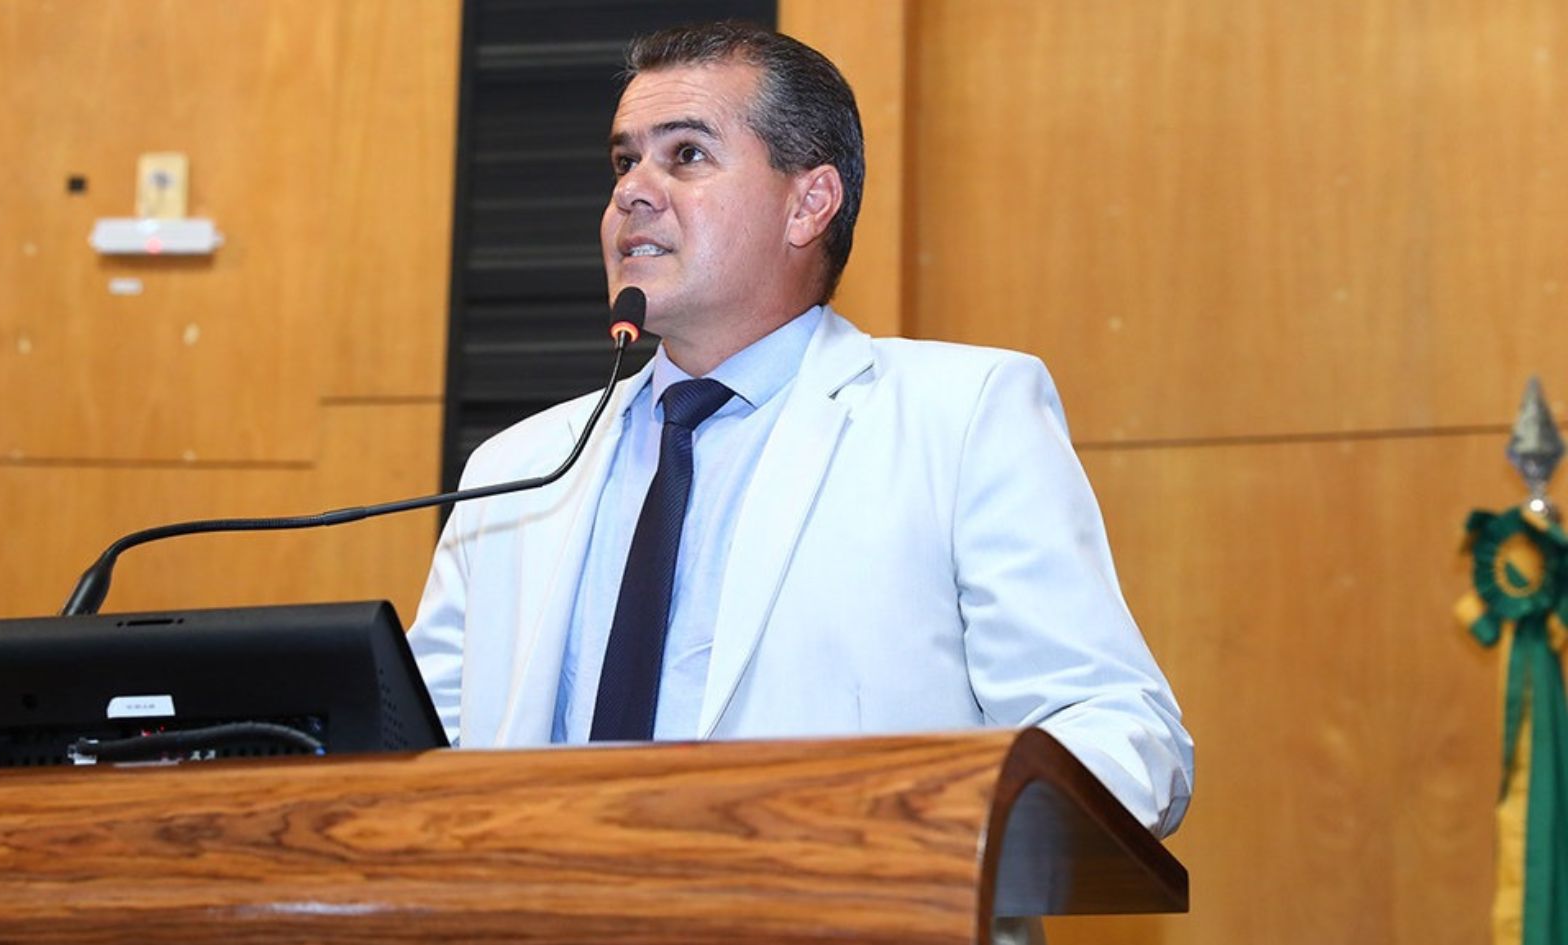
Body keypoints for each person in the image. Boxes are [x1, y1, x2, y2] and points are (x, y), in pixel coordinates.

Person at [409, 21, 1193, 840]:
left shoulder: (961, 417)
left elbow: (1118, 729)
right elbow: (413, 757)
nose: (632, 191)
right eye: (624, 160)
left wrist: (912, 833)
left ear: (809, 203)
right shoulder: (516, 468)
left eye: (685, 154)